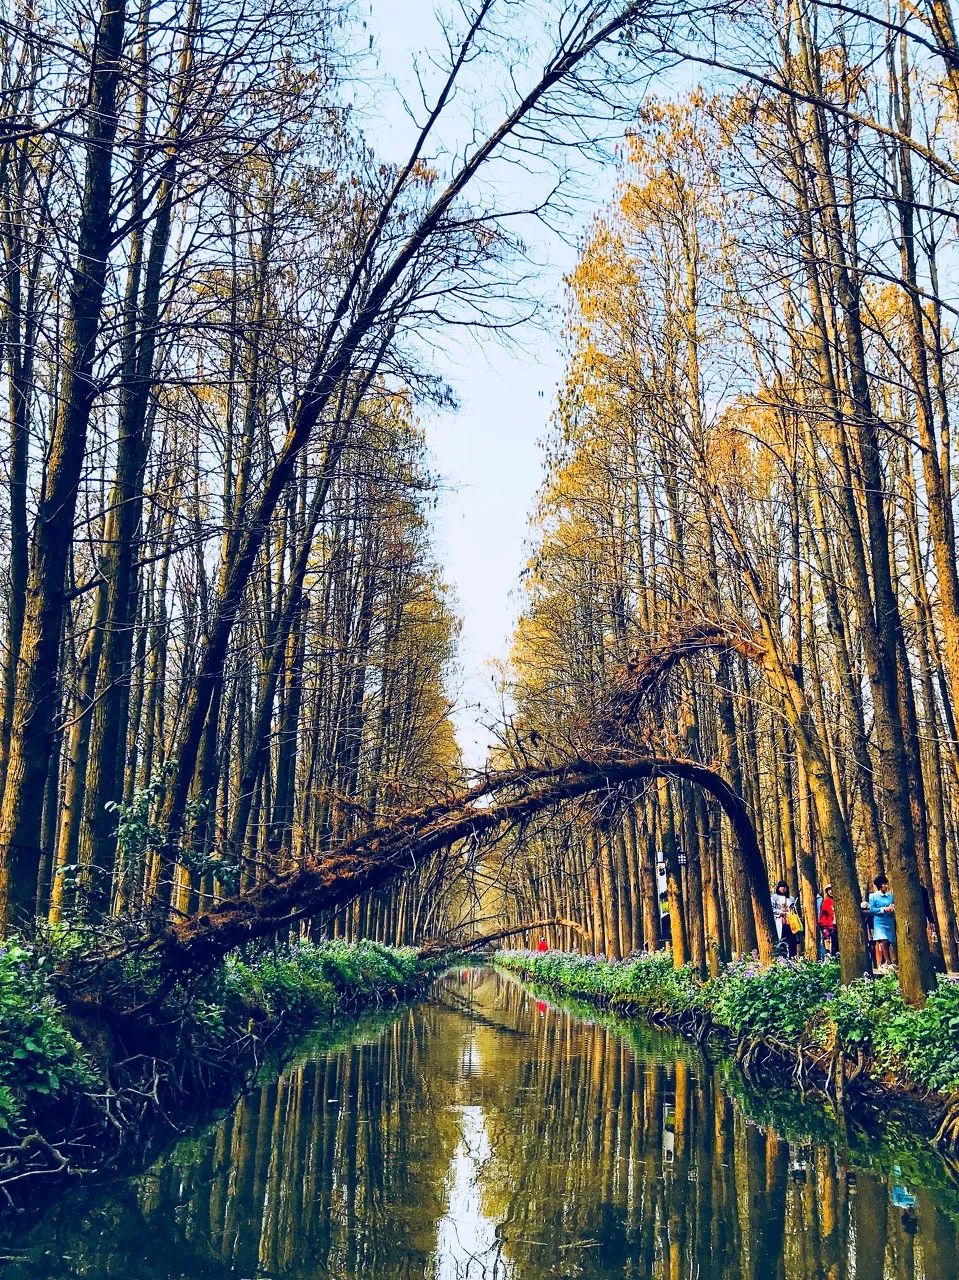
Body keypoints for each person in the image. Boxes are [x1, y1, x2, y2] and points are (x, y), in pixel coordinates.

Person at [864, 875, 895, 970]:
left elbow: (893, 905)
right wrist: (883, 909)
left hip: (889, 920)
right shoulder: (873, 896)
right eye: (884, 884)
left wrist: (892, 909)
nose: (886, 886)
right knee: (883, 940)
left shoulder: (890, 896)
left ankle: (883, 963)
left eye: (886, 883)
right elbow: (872, 909)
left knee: (888, 942)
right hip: (879, 921)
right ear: (880, 886)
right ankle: (889, 963)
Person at [771, 880, 798, 957]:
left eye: (785, 887)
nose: (783, 888)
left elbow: (794, 910)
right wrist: (780, 912)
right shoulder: (774, 897)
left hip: (791, 922)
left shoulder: (791, 898)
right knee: (782, 940)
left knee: (792, 941)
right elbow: (771, 909)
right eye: (781, 887)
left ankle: (793, 957)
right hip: (780, 922)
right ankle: (783, 957)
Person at [818, 884, 836, 957]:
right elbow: (824, 914)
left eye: (831, 890)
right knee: (829, 941)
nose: (830, 892)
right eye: (829, 890)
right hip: (828, 925)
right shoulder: (826, 901)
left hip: (835, 925)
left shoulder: (836, 900)